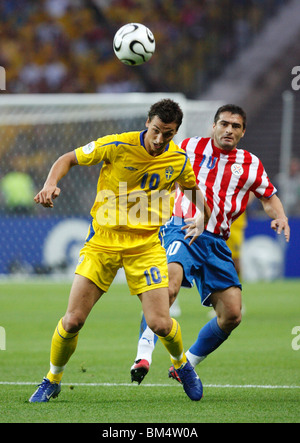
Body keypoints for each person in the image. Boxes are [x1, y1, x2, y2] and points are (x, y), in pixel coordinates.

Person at [29, 99, 211, 403]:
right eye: (155, 130)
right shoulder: (116, 145)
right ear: (147, 122)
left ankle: (182, 366)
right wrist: (50, 183)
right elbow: (67, 158)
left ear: (175, 132)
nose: (158, 139)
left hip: (146, 246)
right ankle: (52, 379)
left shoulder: (177, 160)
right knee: (73, 320)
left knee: (160, 324)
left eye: (167, 134)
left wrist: (203, 215)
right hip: (102, 242)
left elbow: (190, 187)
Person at [131, 104, 290, 385]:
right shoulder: (189, 147)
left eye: (235, 126)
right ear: (213, 126)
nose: (229, 130)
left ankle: (186, 365)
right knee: (169, 286)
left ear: (242, 132)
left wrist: (281, 217)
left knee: (232, 315)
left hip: (216, 241)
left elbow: (268, 197)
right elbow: (156, 158)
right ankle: (143, 355)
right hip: (183, 227)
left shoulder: (251, 163)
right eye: (224, 124)